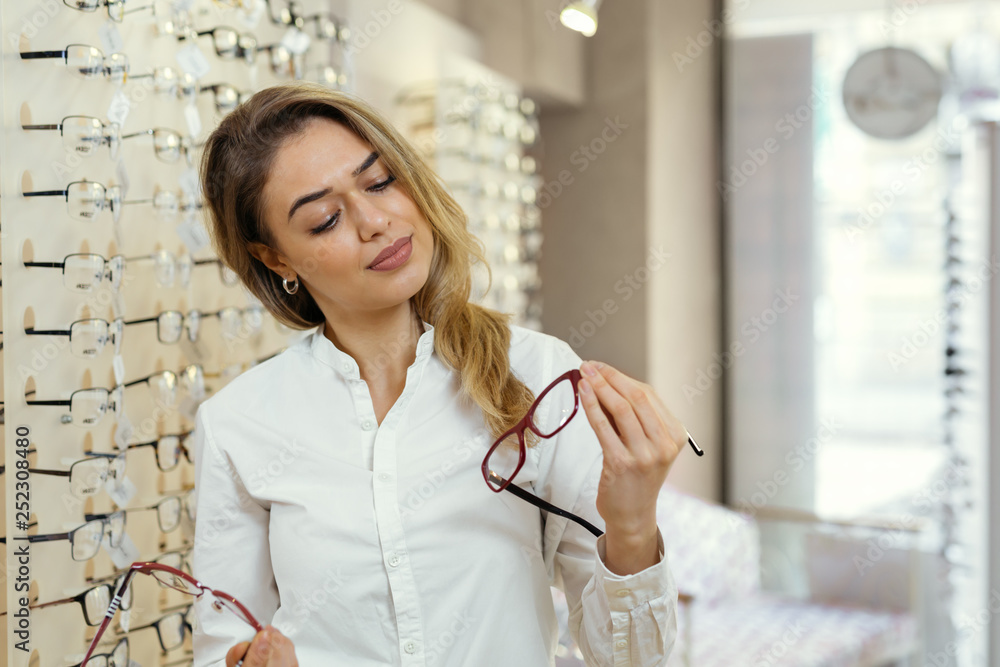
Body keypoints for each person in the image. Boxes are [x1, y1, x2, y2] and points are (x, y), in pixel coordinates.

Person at [191, 80, 686, 667]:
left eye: (380, 182)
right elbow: (225, 646)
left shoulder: (539, 374)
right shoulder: (238, 424)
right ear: (275, 257)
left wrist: (631, 524)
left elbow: (633, 657)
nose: (374, 220)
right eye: (325, 219)